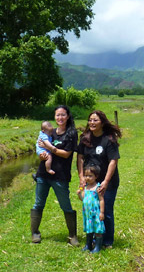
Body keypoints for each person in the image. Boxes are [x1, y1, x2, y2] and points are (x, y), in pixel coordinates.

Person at [30, 105, 79, 246]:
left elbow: (66, 154)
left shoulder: (71, 133)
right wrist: (42, 154)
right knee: (38, 203)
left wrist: (50, 148)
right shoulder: (50, 132)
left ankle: (72, 235)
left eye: (63, 115)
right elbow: (40, 149)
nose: (60, 118)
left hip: (61, 175)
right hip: (43, 174)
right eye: (57, 115)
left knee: (66, 205)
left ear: (68, 116)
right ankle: (35, 233)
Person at [77, 110, 121, 249]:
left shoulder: (109, 139)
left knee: (106, 210)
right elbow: (80, 157)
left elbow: (113, 161)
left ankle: (107, 241)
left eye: (95, 120)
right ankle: (94, 239)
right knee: (92, 210)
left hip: (108, 181)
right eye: (90, 120)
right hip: (90, 181)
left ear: (102, 122)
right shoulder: (85, 138)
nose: (92, 122)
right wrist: (81, 177)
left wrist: (106, 182)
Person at [77, 165, 105, 253]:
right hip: (88, 213)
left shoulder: (97, 187)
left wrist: (102, 212)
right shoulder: (85, 187)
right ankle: (88, 245)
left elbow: (101, 200)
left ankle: (97, 247)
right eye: (86, 176)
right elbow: (83, 199)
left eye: (90, 176)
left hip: (95, 212)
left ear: (96, 176)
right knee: (89, 229)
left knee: (97, 229)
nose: (87, 178)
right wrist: (79, 193)